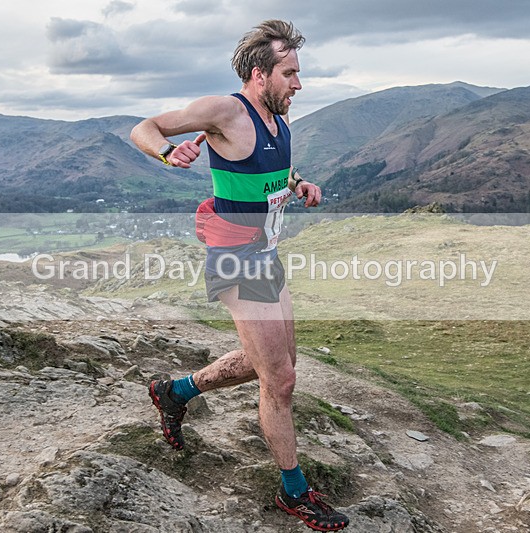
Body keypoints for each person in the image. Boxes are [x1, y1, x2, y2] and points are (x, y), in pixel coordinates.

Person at [130, 20, 349, 531]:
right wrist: (168, 153)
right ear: (259, 74)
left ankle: (176, 391)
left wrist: (298, 183)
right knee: (281, 380)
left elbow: (270, 170)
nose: (298, 84)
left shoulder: (279, 118)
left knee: (272, 363)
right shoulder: (226, 111)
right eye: (289, 73)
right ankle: (294, 491)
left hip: (266, 254)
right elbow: (145, 127)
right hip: (235, 258)